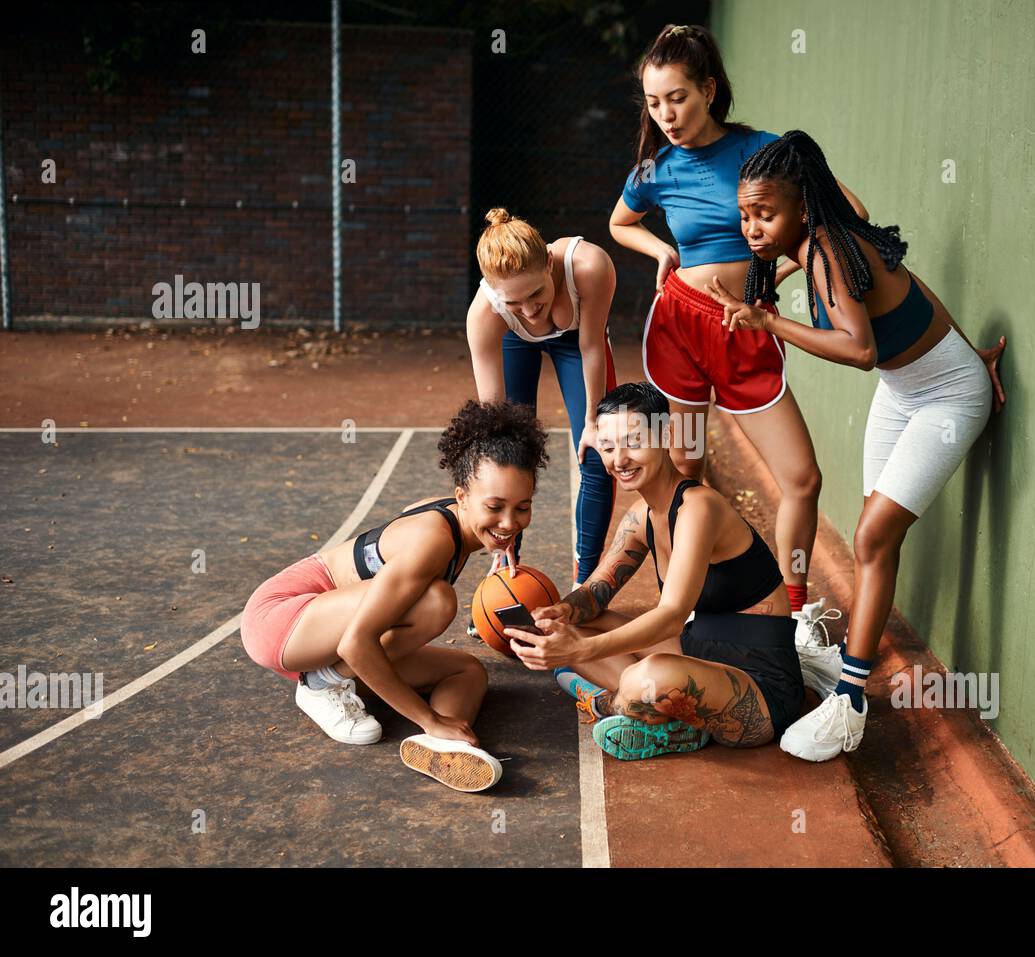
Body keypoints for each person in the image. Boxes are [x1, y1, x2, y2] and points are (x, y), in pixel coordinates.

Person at [704, 130, 1007, 761]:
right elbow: (913, 288)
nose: (753, 228)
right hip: (904, 391)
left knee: (870, 538)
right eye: (746, 214)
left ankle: (850, 703)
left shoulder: (827, 253)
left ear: (802, 207)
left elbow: (861, 350)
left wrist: (768, 320)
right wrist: (963, 344)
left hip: (948, 398)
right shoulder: (823, 241)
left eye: (766, 213)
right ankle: (846, 670)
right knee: (877, 537)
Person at [608, 23, 869, 651]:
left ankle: (794, 617)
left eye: (678, 98)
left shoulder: (762, 150)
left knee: (801, 478)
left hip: (744, 330)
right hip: (679, 329)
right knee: (684, 469)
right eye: (654, 102)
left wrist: (779, 269)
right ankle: (684, 606)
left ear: (708, 89)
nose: (667, 115)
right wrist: (660, 250)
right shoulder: (654, 168)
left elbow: (850, 212)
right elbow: (620, 223)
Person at [239, 399, 550, 790]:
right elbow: (356, 642)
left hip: (328, 627)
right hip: (281, 619)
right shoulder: (434, 540)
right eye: (495, 506)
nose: (509, 522)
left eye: (522, 507)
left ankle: (444, 748)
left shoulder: (452, 522)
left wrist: (439, 726)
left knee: (468, 672)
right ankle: (321, 684)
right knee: (436, 602)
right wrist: (427, 716)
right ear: (461, 497)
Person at [501, 381, 806, 762]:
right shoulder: (640, 517)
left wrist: (581, 650)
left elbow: (672, 616)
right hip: (699, 653)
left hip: (759, 690)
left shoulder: (699, 508)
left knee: (646, 677)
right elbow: (595, 592)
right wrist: (558, 614)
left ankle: (610, 703)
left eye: (633, 442)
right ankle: (666, 719)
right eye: (608, 447)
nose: (619, 459)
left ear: (666, 436)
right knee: (570, 628)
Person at [467, 207, 618, 590]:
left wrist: (592, 423)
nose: (530, 310)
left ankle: (586, 584)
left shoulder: (589, 266)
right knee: (507, 454)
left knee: (597, 454)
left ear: (549, 262)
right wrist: (499, 524)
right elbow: (495, 422)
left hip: (577, 341)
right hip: (513, 341)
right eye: (513, 303)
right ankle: (506, 564)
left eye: (536, 293)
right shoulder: (484, 315)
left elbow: (591, 347)